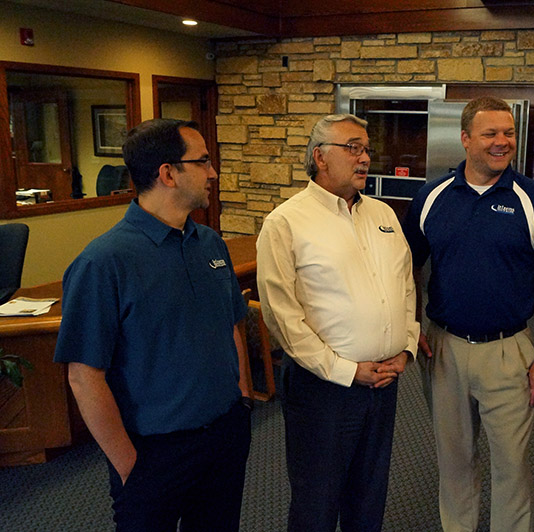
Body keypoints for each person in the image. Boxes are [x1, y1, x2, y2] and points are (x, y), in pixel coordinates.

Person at [54, 119, 252, 532]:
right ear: (167, 173)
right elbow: (84, 377)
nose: (213, 172)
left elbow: (232, 325)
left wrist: (242, 403)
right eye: (202, 161)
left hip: (224, 437)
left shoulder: (210, 243)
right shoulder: (103, 262)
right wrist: (129, 465)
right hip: (153, 454)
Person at [402, 96, 534, 532]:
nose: (502, 142)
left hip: (508, 353)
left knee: (512, 467)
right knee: (454, 460)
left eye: (509, 133)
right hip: (443, 348)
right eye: (490, 133)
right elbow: (408, 267)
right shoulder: (431, 197)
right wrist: (412, 323)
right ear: (465, 139)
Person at [256, 114, 419, 532]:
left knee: (369, 498)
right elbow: (282, 317)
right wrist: (346, 371)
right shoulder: (286, 222)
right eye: (353, 147)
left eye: (366, 148)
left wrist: (406, 348)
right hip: (324, 390)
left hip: (384, 383)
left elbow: (404, 286)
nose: (364, 157)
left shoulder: (382, 213)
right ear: (320, 157)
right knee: (317, 502)